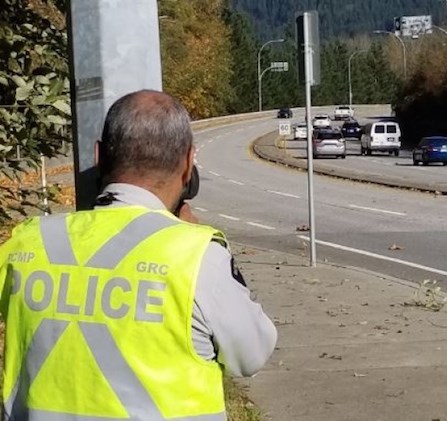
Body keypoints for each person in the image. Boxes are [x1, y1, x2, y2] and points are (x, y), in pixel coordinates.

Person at [0, 90, 277, 420]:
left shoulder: (29, 242)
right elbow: (251, 355)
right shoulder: (197, 256)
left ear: (99, 156)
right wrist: (197, 240)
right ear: (188, 163)